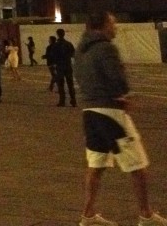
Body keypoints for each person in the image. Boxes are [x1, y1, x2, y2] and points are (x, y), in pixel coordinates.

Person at [75, 12, 166, 226]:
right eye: (113, 24)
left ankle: (88, 215)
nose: (115, 28)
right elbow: (116, 77)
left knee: (96, 165)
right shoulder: (106, 47)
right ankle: (146, 214)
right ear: (102, 25)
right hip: (110, 112)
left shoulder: (80, 50)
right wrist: (123, 95)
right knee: (138, 164)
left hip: (89, 112)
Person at [51, 28, 77, 108]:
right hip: (68, 65)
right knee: (70, 84)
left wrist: (54, 64)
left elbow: (53, 56)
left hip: (60, 66)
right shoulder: (68, 44)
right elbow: (73, 54)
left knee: (61, 85)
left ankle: (62, 101)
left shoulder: (55, 45)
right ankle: (73, 101)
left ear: (57, 34)